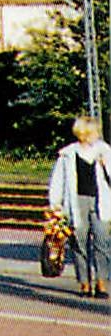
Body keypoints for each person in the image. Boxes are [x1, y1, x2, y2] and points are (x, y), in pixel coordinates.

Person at [47, 116, 111, 298]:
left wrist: (106, 167)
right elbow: (58, 181)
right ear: (84, 133)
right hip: (77, 202)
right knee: (79, 243)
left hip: (100, 201)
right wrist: (56, 205)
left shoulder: (105, 151)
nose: (97, 135)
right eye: (94, 132)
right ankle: (84, 283)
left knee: (102, 240)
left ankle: (101, 282)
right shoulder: (67, 154)